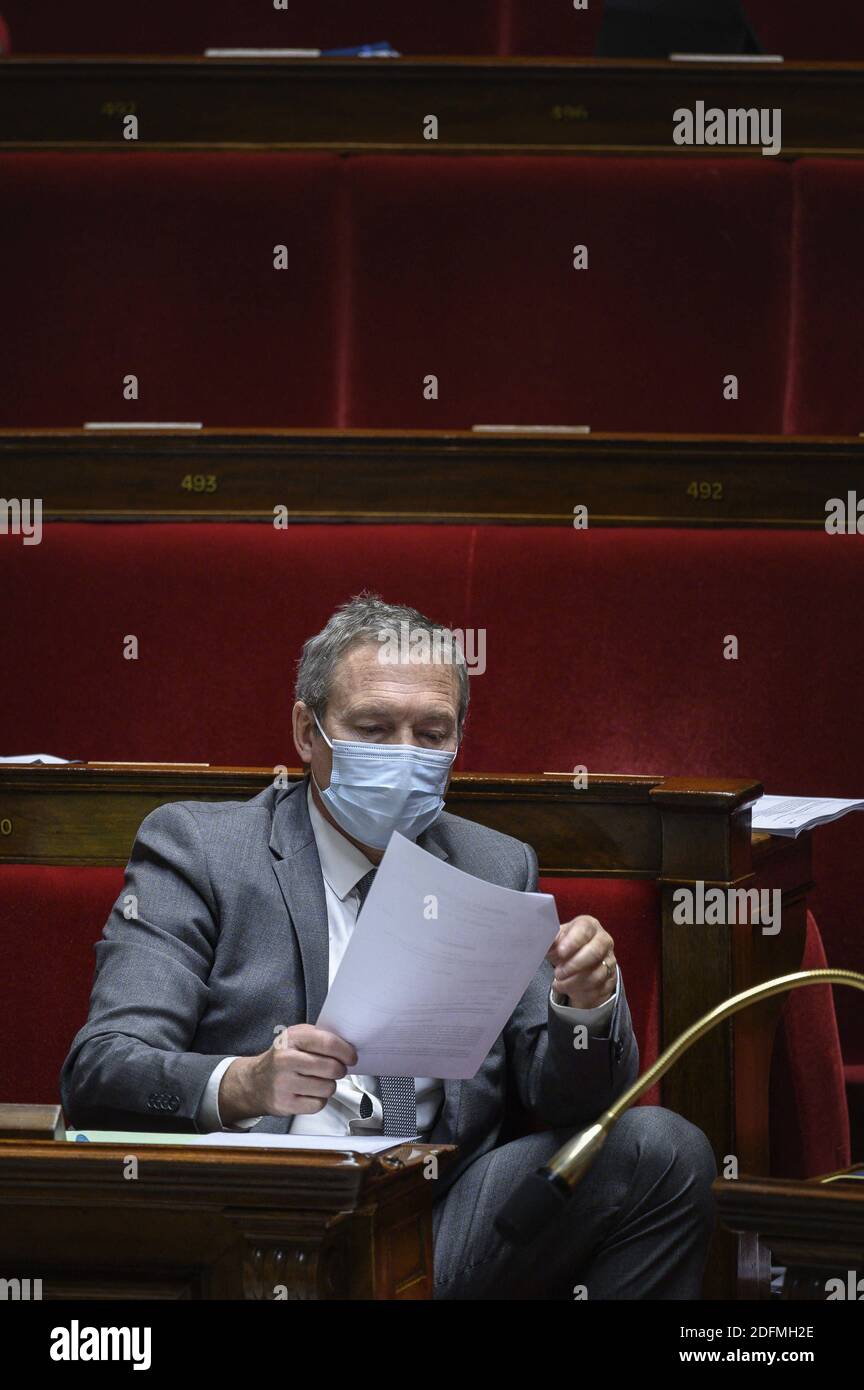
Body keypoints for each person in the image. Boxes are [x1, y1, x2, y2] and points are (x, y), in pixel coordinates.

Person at [61, 591, 716, 1299]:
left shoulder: (494, 865)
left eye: (431, 734)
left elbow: (570, 1101)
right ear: (307, 733)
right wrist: (244, 1083)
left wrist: (584, 1007)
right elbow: (101, 1071)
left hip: (435, 1220)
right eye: (373, 729)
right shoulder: (201, 851)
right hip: (262, 1221)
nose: (405, 757)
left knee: (666, 1152)